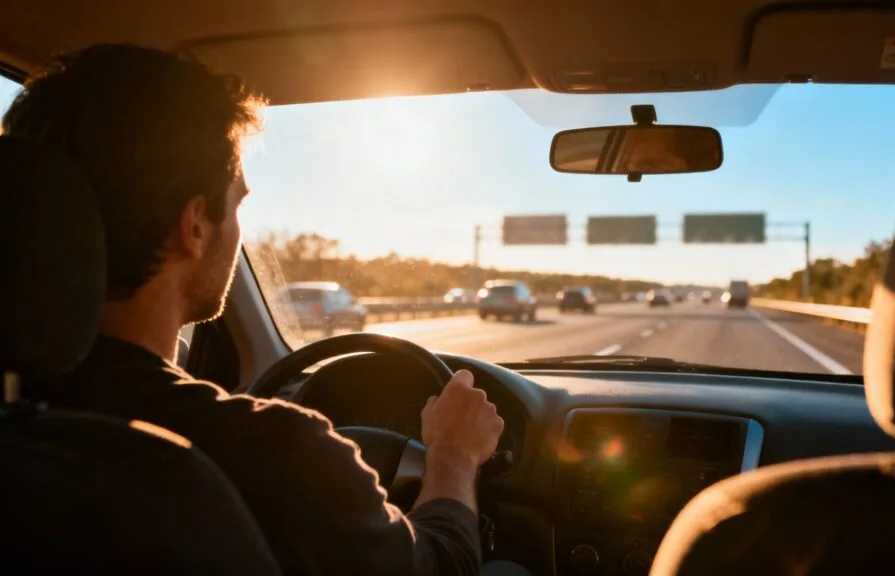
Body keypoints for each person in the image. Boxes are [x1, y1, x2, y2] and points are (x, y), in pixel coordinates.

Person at [6, 44, 518, 575]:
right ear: (195, 225)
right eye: (238, 202)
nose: (238, 227)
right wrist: (454, 457)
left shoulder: (23, 423)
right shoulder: (275, 456)